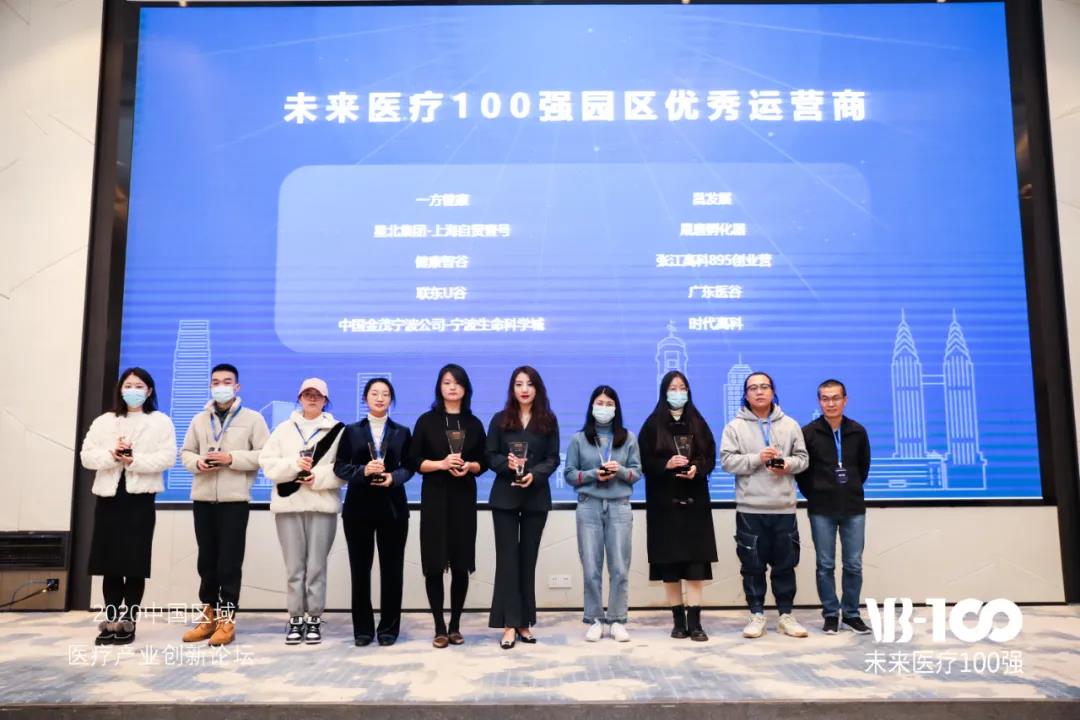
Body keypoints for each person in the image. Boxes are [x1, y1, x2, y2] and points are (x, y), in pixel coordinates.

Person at [80, 368, 176, 646]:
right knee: (109, 561)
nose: (132, 390)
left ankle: (129, 620)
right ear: (120, 389)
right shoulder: (104, 421)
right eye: (128, 385)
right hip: (108, 497)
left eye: (139, 386)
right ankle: (111, 619)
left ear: (149, 391)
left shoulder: (160, 421)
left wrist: (135, 461)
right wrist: (112, 455)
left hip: (140, 498)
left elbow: (167, 458)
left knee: (134, 561)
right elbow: (87, 456)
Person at [179, 363, 270, 647]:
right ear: (210, 386)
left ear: (237, 386)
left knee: (229, 562)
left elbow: (265, 455)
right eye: (216, 382)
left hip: (235, 501)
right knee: (206, 561)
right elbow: (186, 452)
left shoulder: (253, 419)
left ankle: (227, 620)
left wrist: (232, 459)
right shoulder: (199, 419)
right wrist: (198, 463)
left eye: (227, 381)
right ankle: (208, 616)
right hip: (203, 499)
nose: (221, 386)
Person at [720, 371, 809, 639]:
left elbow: (803, 459)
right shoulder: (734, 427)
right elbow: (727, 462)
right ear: (745, 395)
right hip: (750, 508)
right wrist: (757, 458)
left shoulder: (790, 424)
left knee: (785, 566)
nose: (759, 392)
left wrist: (786, 465)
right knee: (752, 567)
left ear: (773, 391)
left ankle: (786, 616)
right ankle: (756, 614)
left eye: (764, 387)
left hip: (783, 508)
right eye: (753, 388)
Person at [258, 378, 346, 645]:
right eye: (307, 394)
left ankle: (314, 617)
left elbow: (343, 469)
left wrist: (317, 477)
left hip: (322, 505)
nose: (312, 398)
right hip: (289, 506)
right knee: (294, 567)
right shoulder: (283, 429)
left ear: (325, 400)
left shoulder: (338, 430)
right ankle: (296, 617)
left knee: (317, 566)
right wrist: (295, 465)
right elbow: (267, 464)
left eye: (317, 394)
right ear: (299, 397)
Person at [408, 364, 488, 648]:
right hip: (435, 499)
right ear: (439, 388)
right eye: (446, 382)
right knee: (433, 564)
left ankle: (455, 625)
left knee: (461, 564)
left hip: (463, 499)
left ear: (465, 388)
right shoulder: (426, 421)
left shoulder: (474, 423)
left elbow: (484, 462)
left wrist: (470, 466)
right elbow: (414, 461)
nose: (452, 387)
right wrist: (441, 464)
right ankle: (439, 627)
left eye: (457, 383)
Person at [334, 377, 414, 647]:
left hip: (393, 509)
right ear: (365, 398)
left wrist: (393, 477)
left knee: (392, 571)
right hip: (358, 509)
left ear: (391, 399)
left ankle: (389, 628)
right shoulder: (351, 431)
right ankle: (363, 629)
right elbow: (340, 467)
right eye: (374, 393)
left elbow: (410, 467)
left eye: (385, 394)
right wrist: (363, 470)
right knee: (360, 571)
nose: (380, 398)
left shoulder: (402, 432)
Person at [486, 366, 561, 649]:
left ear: (537, 388)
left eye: (529, 384)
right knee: (507, 562)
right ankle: (509, 624)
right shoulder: (500, 419)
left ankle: (524, 623)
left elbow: (553, 458)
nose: (524, 389)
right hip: (504, 498)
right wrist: (507, 465)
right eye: (518, 384)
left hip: (536, 497)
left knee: (527, 562)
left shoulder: (548, 420)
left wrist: (535, 475)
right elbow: (489, 455)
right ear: (512, 389)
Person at [640, 371, 717, 642]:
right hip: (664, 505)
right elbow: (643, 462)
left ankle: (695, 622)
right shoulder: (652, 424)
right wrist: (665, 464)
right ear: (664, 392)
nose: (678, 392)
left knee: (695, 564)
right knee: (669, 565)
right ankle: (678, 622)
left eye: (682, 387)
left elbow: (710, 457)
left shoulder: (698, 421)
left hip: (695, 503)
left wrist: (697, 467)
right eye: (673, 388)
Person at [564, 385, 642, 643]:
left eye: (609, 404)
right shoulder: (579, 439)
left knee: (619, 567)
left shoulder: (628, 438)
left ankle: (618, 619)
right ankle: (595, 619)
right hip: (589, 505)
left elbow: (636, 473)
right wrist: (592, 475)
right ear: (591, 407)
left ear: (616, 408)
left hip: (619, 505)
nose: (604, 408)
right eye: (600, 403)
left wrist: (620, 470)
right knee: (590, 567)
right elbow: (569, 474)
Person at [796, 379, 872, 635]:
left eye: (835, 398)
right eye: (825, 398)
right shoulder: (809, 433)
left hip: (853, 507)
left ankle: (851, 614)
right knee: (825, 565)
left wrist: (849, 487)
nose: (831, 403)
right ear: (819, 402)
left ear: (845, 400)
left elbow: (863, 468)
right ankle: (830, 613)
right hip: (821, 509)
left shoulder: (857, 431)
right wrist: (816, 492)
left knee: (853, 564)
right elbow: (802, 472)